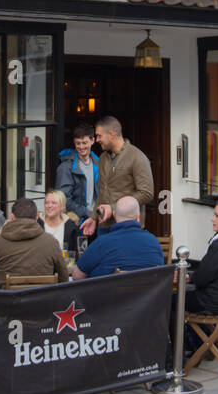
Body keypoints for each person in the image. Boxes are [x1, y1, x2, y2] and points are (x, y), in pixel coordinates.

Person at [79, 116, 154, 244]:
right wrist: (93, 217)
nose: (96, 140)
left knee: (123, 263)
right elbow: (102, 193)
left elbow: (147, 193)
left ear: (111, 135)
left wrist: (113, 208)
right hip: (104, 228)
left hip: (127, 228)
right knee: (104, 263)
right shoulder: (103, 158)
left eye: (99, 136)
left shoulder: (137, 157)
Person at [0, 198, 69, 286]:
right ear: (36, 218)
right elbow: (64, 279)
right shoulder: (51, 242)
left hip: (10, 302)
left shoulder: (0, 242)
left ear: (13, 217)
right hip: (42, 302)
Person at [71, 195, 163, 279]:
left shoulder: (101, 243)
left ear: (114, 216)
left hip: (109, 296)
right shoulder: (154, 242)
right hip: (148, 296)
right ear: (138, 217)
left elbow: (77, 276)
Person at [55, 123, 99, 222]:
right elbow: (63, 199)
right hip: (76, 221)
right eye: (78, 143)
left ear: (93, 141)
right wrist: (87, 213)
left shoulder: (99, 164)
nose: (81, 147)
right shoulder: (65, 168)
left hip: (96, 219)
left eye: (84, 143)